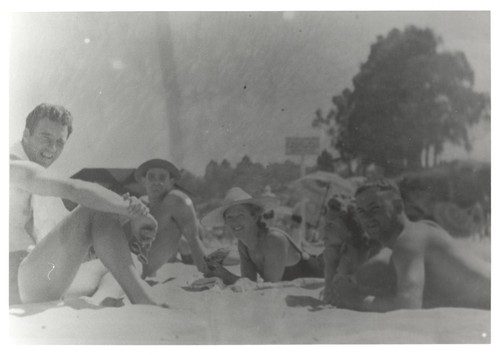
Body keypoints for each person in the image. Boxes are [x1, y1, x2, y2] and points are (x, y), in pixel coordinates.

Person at [10, 103, 165, 306]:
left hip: (36, 277)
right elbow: (76, 190)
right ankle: (144, 300)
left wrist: (124, 214)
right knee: (94, 207)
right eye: (45, 137)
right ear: (26, 134)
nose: (52, 148)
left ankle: (101, 300)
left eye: (60, 142)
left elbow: (74, 236)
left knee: (126, 263)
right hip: (13, 279)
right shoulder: (12, 166)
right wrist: (133, 210)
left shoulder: (40, 179)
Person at [331, 179, 490, 311]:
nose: (367, 218)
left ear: (398, 206)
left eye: (375, 209)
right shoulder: (420, 229)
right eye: (361, 212)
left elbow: (407, 307)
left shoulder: (408, 241)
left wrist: (352, 299)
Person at [200, 187, 324, 285]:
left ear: (254, 217)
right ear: (225, 222)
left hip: (326, 271)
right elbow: (249, 283)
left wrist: (225, 276)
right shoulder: (244, 244)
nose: (234, 222)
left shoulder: (273, 240)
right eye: (229, 217)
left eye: (240, 215)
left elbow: (269, 287)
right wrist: (219, 274)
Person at [133, 159, 209, 278]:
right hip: (131, 267)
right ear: (144, 181)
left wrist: (210, 274)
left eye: (162, 177)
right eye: (151, 177)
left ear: (171, 182)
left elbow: (194, 241)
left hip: (139, 270)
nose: (156, 182)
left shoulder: (175, 201)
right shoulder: (141, 202)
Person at [320, 194, 384, 305]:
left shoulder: (358, 252)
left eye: (330, 224)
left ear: (348, 230)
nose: (325, 230)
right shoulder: (335, 250)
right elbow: (329, 291)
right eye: (325, 224)